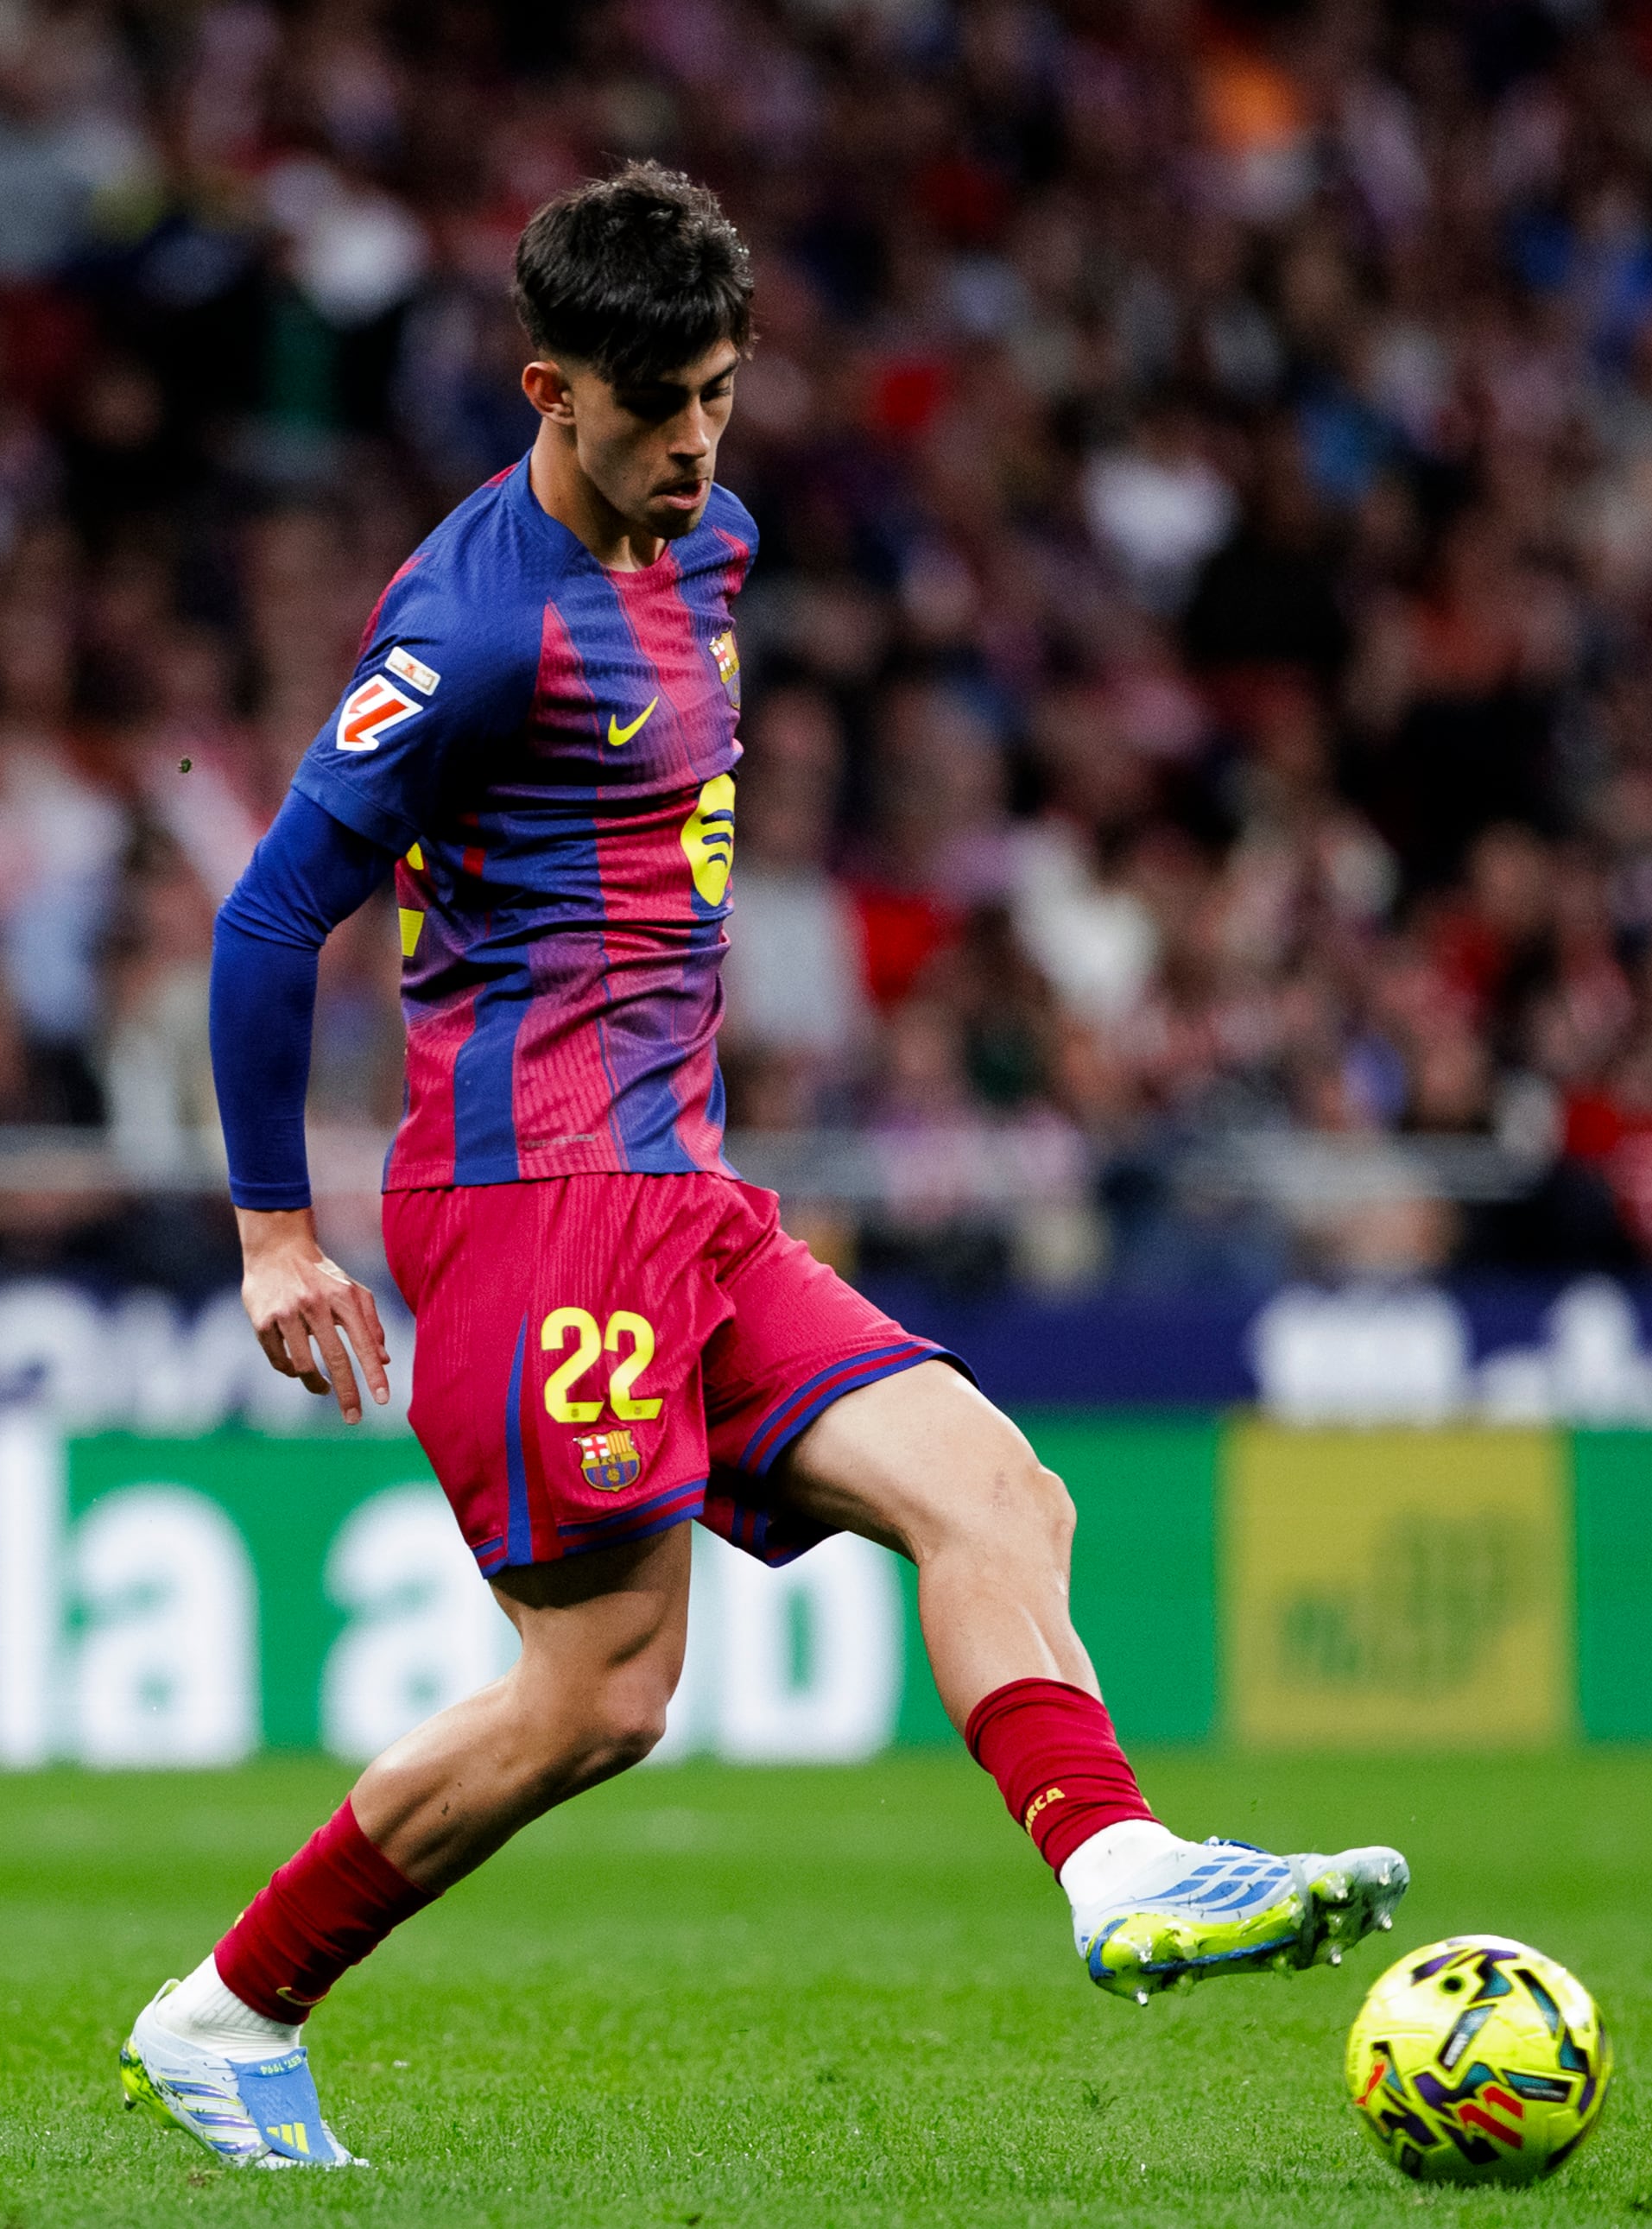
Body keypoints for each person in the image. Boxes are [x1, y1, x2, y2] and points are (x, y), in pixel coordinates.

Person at [117, 164, 1408, 2171]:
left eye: (719, 389)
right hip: (534, 1194)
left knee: (997, 1486)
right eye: (655, 406)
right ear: (552, 388)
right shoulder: (467, 624)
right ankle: (227, 2011)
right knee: (603, 1691)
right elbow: (274, 913)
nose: (697, 439)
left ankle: (1117, 1864)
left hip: (681, 1190)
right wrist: (276, 1233)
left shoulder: (707, 540)